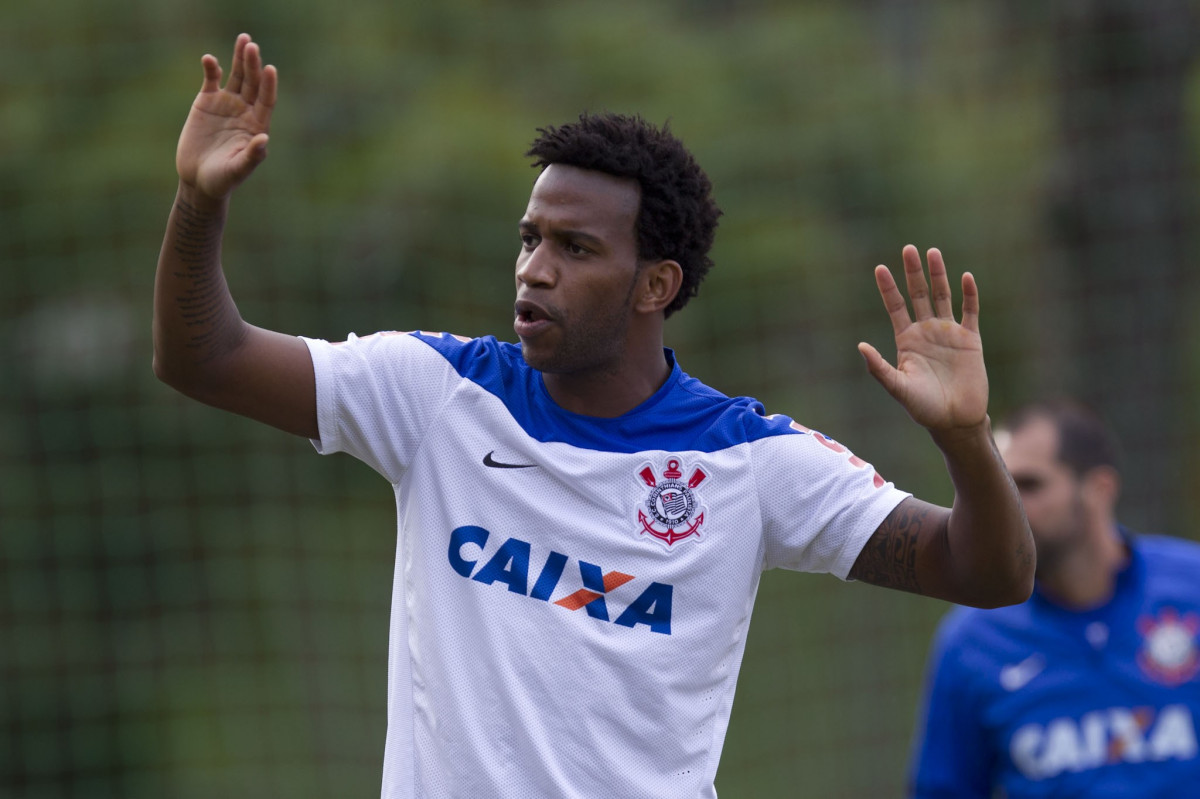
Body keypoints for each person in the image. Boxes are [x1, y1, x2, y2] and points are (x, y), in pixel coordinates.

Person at [154, 33, 1034, 798]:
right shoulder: (434, 394)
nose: (535, 268)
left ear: (657, 285)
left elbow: (988, 571)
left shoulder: (751, 460)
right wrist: (199, 202)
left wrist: (962, 439)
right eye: (530, 237)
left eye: (575, 248)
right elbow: (206, 357)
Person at [908, 397, 1200, 798]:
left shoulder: (1191, 587)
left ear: (1099, 489)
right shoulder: (973, 642)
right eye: (1001, 486)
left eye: (1028, 485)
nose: (1007, 507)